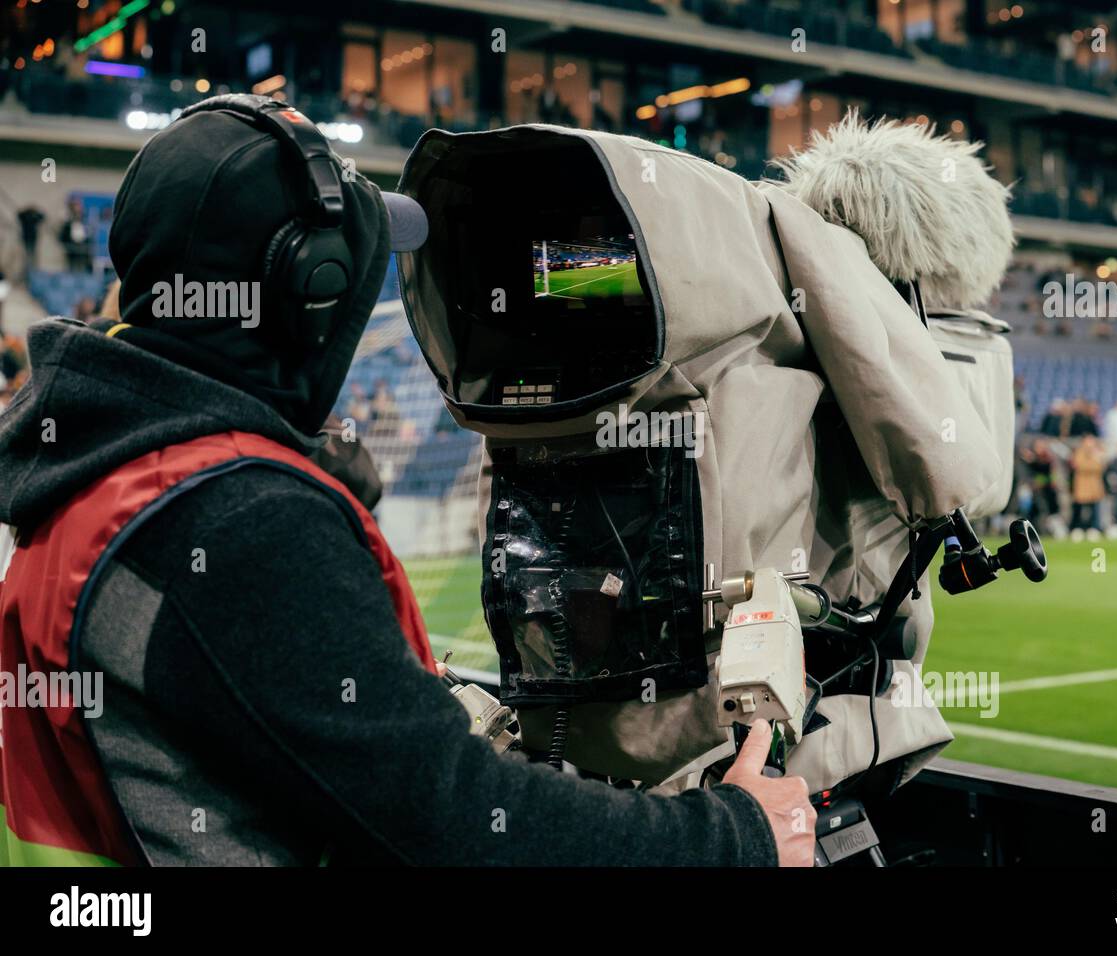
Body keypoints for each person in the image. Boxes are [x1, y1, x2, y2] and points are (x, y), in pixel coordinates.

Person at [0, 95, 812, 867]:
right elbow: (451, 823)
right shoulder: (237, 520)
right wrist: (727, 839)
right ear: (309, 289)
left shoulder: (91, 481)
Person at [1069, 435, 1105, 540]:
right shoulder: (1079, 453)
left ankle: (1094, 528)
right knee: (1079, 509)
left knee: (1095, 509)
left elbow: (1100, 466)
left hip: (1095, 486)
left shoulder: (1097, 452)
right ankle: (1077, 528)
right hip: (1082, 486)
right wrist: (1093, 464)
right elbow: (1079, 465)